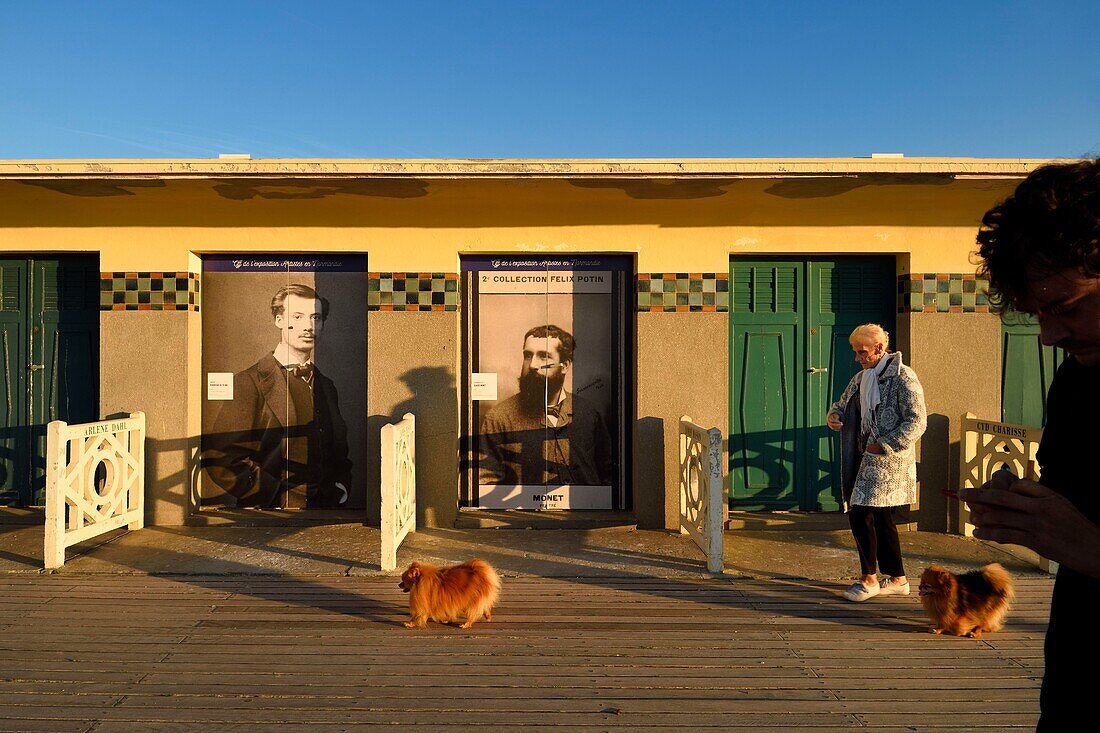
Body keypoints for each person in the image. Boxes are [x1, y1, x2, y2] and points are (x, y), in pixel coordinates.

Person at [960, 158, 1100, 731]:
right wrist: (1026, 505)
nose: (1047, 334)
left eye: (1064, 307)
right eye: (1037, 313)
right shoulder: (1077, 382)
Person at [207, 283, 352, 508]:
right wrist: (267, 493)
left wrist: (340, 488)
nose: (309, 326)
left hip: (325, 512)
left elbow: (339, 450)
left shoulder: (326, 386)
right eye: (298, 316)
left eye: (316, 318)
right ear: (279, 320)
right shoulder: (248, 382)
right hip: (269, 514)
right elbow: (221, 457)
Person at [826, 323, 927, 602]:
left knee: (860, 513)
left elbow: (918, 421)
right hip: (864, 457)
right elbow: (842, 404)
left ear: (880, 348)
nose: (858, 358)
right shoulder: (862, 377)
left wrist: (885, 445)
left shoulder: (904, 377)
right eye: (856, 352)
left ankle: (869, 580)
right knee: (881, 518)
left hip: (888, 462)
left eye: (862, 352)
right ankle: (898, 579)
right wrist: (834, 416)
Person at [479, 324, 613, 487]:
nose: (533, 365)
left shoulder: (589, 414)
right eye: (528, 355)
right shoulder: (499, 418)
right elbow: (486, 483)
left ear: (565, 365)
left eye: (544, 356)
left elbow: (609, 476)